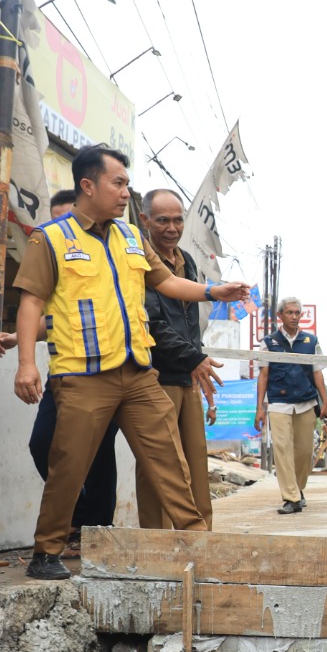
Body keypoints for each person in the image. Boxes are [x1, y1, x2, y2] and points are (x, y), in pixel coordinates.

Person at [11, 145, 248, 579]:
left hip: (138, 373)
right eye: (117, 183)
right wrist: (26, 363)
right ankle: (47, 551)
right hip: (82, 375)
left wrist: (216, 292)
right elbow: (30, 303)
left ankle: (198, 543)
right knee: (69, 464)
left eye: (126, 184)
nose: (125, 193)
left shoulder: (131, 239)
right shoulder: (52, 239)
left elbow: (170, 282)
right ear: (89, 185)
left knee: (169, 460)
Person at [0, 188, 121, 555]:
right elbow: (47, 314)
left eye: (69, 218)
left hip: (105, 370)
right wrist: (22, 339)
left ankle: (96, 531)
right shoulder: (51, 254)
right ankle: (80, 520)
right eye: (57, 219)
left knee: (98, 453)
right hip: (63, 372)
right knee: (43, 444)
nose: (64, 227)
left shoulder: (100, 259)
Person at [137, 188, 222, 531]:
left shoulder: (186, 259)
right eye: (162, 220)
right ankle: (156, 541)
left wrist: (195, 362)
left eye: (177, 219)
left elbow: (191, 322)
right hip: (156, 378)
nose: (172, 227)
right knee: (158, 465)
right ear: (144, 221)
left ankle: (203, 538)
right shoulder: (140, 260)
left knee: (196, 463)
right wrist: (193, 358)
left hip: (188, 376)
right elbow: (152, 323)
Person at [257, 296, 327, 515]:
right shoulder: (269, 342)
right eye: (289, 313)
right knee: (282, 449)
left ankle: (298, 490)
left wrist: (325, 402)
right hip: (279, 403)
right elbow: (263, 375)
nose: (294, 317)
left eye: (297, 313)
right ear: (280, 316)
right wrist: (259, 408)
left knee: (305, 452)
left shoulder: (311, 341)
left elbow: (317, 373)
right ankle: (290, 497)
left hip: (306, 402)